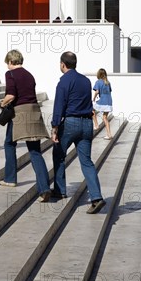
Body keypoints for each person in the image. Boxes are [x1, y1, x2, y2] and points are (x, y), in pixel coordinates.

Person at [51, 51, 106, 214]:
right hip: (87, 123)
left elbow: (59, 106)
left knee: (59, 154)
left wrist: (54, 128)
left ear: (63, 64)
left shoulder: (63, 82)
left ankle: (60, 190)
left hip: (70, 122)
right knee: (86, 161)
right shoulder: (85, 81)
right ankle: (97, 197)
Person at [0, 50, 51, 202]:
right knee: (35, 151)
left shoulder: (11, 74)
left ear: (10, 61)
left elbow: (11, 95)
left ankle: (10, 178)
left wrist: (2, 103)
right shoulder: (29, 74)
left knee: (9, 143)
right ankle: (44, 188)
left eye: (7, 63)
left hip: (19, 113)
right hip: (34, 111)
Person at [92, 68, 113, 140]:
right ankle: (109, 134)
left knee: (91, 108)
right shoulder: (108, 82)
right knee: (105, 118)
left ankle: (96, 125)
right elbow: (109, 92)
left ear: (99, 74)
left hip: (103, 101)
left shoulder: (98, 82)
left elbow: (97, 91)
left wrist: (94, 98)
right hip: (109, 102)